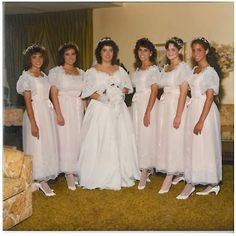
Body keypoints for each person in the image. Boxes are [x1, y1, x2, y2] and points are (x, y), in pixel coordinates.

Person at [77, 37, 140, 190]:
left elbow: (127, 88)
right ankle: (98, 173)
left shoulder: (120, 70)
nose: (107, 53)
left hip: (118, 110)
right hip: (100, 109)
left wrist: (119, 93)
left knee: (120, 139)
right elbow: (88, 91)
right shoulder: (92, 71)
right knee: (100, 139)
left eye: (110, 50)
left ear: (114, 53)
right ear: (99, 52)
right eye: (104, 50)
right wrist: (104, 98)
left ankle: (121, 172)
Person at [176, 37, 222, 200]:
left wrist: (201, 121)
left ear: (206, 51)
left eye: (199, 50)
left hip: (205, 111)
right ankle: (197, 181)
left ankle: (210, 183)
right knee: (193, 146)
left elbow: (210, 97)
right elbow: (183, 87)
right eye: (194, 50)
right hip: (193, 108)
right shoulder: (194, 70)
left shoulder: (210, 72)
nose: (196, 53)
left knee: (205, 147)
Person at [16, 44, 59, 196]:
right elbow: (28, 103)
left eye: (40, 57)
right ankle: (41, 180)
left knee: (47, 144)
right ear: (29, 59)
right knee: (37, 144)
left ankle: (42, 178)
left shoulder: (44, 76)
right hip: (35, 113)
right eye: (34, 57)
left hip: (47, 113)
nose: (38, 60)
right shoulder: (26, 77)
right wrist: (33, 123)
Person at [155, 37, 191, 194]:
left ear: (179, 51)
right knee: (167, 138)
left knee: (176, 138)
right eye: (168, 49)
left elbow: (183, 92)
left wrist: (178, 115)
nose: (170, 52)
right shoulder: (165, 68)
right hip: (165, 105)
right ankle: (179, 171)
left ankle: (170, 175)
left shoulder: (183, 68)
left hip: (177, 104)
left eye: (173, 49)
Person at [49, 42, 85, 191]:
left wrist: (86, 112)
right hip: (63, 107)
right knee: (65, 139)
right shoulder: (56, 72)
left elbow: (84, 95)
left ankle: (76, 170)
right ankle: (68, 172)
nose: (71, 57)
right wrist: (58, 113)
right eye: (67, 54)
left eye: (73, 54)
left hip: (77, 108)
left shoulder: (82, 73)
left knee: (78, 139)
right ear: (62, 56)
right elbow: (53, 94)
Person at [131, 38, 160, 190]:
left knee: (147, 136)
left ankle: (144, 170)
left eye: (145, 50)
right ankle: (143, 169)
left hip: (148, 104)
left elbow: (154, 91)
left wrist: (148, 112)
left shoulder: (153, 69)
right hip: (137, 105)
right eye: (140, 50)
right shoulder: (137, 70)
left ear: (150, 53)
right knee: (138, 136)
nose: (142, 53)